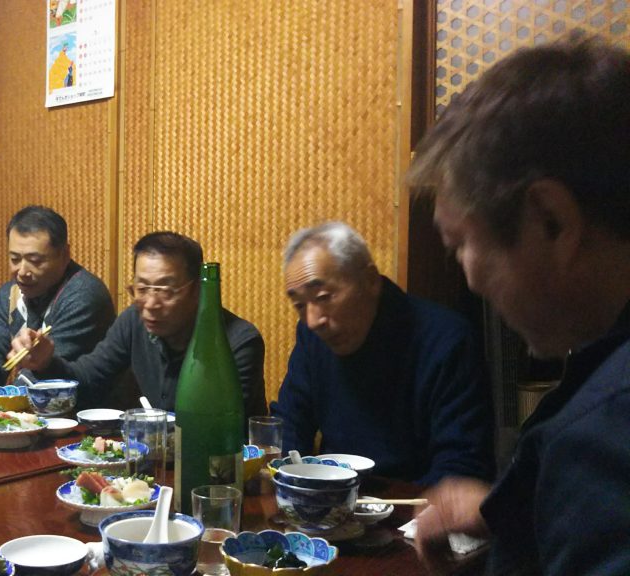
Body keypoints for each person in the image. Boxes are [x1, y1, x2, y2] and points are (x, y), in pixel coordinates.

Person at [406, 36, 630, 575]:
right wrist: (523, 526)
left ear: (552, 220)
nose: (468, 276)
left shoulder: (605, 439)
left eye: (460, 244)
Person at [270, 221, 494, 485]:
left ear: (370, 280)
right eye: (299, 305)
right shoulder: (313, 337)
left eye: (323, 297)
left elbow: (461, 466)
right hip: (333, 497)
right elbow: (291, 423)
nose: (312, 320)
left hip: (418, 502)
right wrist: (288, 484)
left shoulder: (446, 339)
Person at [12, 231, 266, 415]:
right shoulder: (134, 321)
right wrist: (46, 363)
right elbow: (88, 381)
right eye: (142, 289)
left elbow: (218, 424)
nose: (151, 303)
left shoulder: (239, 341)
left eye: (166, 290)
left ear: (198, 289)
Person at [0, 205, 114, 385]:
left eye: (35, 261)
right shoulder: (9, 295)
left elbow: (47, 376)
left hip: (81, 400)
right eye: (15, 259)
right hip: (35, 400)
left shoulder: (83, 295)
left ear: (65, 255)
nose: (22, 272)